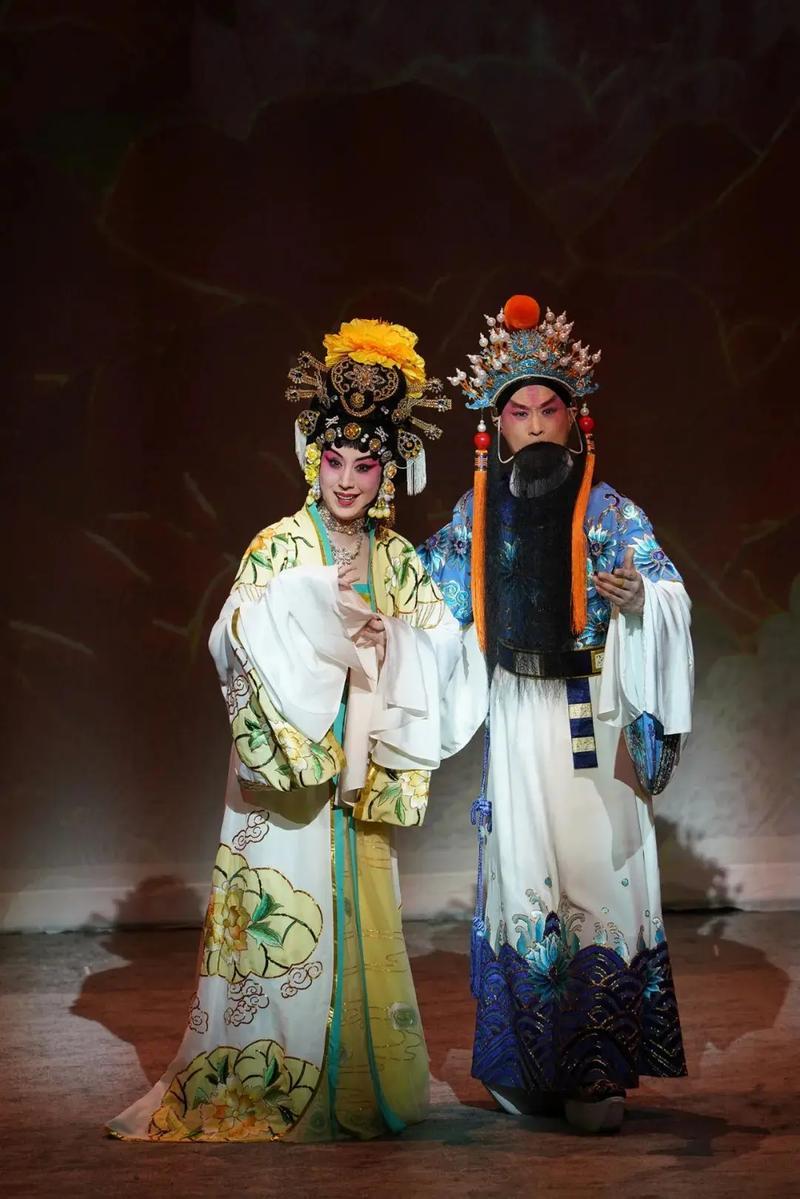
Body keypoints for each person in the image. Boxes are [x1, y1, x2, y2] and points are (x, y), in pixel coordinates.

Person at [108, 317, 478, 1143]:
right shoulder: (277, 546)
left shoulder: (399, 559)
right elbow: (233, 637)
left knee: (363, 913)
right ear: (314, 456)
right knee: (287, 911)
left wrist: (391, 639)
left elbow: (444, 647)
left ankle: (361, 1082)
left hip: (360, 771)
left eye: (365, 464)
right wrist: (309, 609)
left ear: (388, 470)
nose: (346, 480)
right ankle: (271, 1074)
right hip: (292, 774)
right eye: (334, 458)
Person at [419, 294, 694, 1134]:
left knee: (596, 878)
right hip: (519, 717)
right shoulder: (475, 512)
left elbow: (669, 589)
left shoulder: (612, 512)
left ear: (575, 418)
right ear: (495, 426)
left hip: (593, 714)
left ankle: (598, 1069)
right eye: (519, 411)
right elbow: (428, 600)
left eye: (549, 408)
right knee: (524, 875)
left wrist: (641, 600)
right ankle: (529, 1064)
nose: (535, 423)